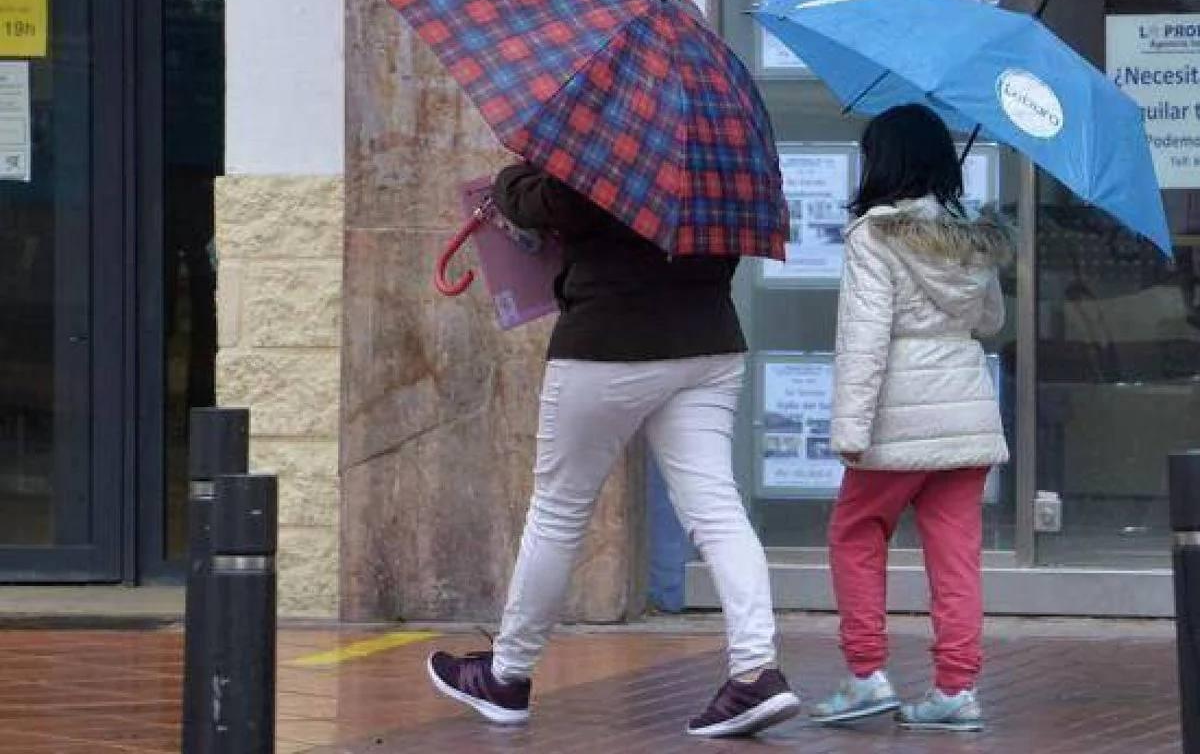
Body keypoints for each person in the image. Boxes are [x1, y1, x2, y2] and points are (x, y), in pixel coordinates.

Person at [426, 162, 801, 738]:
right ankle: (756, 670)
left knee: (557, 510)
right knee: (717, 511)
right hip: (708, 342)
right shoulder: (722, 141)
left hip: (608, 342)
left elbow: (556, 202)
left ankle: (508, 674)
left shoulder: (620, 133)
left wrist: (510, 182)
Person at [809, 104, 1012, 732]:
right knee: (956, 557)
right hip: (965, 415)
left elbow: (865, 340)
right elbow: (991, 323)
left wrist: (848, 429)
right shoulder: (971, 234)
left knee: (856, 533)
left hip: (897, 420)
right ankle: (956, 689)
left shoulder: (875, 235)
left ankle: (867, 673)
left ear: (884, 162)